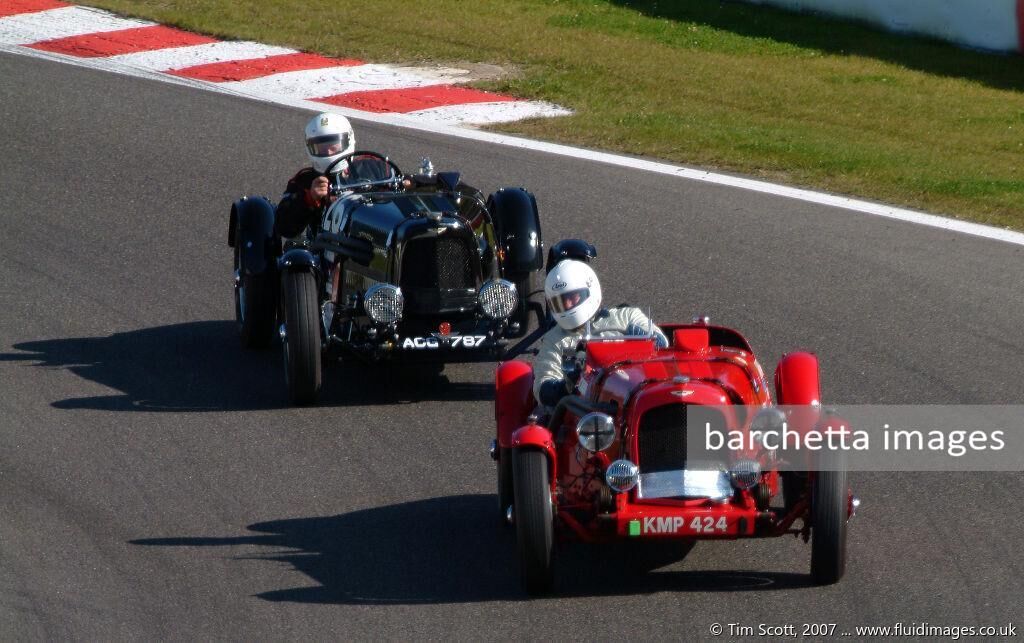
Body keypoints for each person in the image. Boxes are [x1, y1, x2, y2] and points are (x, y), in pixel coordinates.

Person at [533, 259, 668, 408]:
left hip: (640, 392)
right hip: (588, 413)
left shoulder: (626, 316)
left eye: (572, 298)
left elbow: (662, 343)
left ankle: (691, 429)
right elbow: (543, 388)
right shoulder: (554, 340)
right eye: (560, 302)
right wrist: (568, 385)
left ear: (589, 289)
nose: (568, 305)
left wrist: (644, 337)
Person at [275, 112, 355, 239]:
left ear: (348, 140)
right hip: (321, 248)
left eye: (333, 146)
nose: (328, 152)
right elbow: (284, 227)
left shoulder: (372, 169)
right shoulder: (304, 180)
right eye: (321, 148)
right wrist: (310, 198)